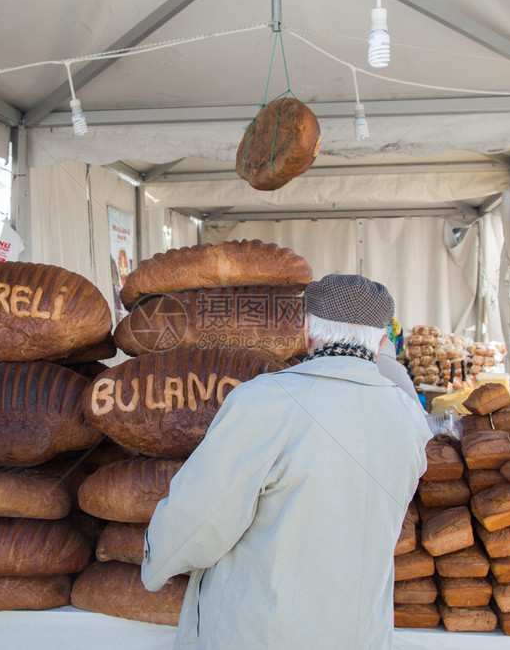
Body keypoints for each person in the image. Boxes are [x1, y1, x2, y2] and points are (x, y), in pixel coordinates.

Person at [141, 274, 432, 650]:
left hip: (260, 633)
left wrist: (156, 564)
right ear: (380, 342)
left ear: (306, 328)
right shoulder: (408, 419)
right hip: (362, 634)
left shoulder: (266, 401)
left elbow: (200, 521)